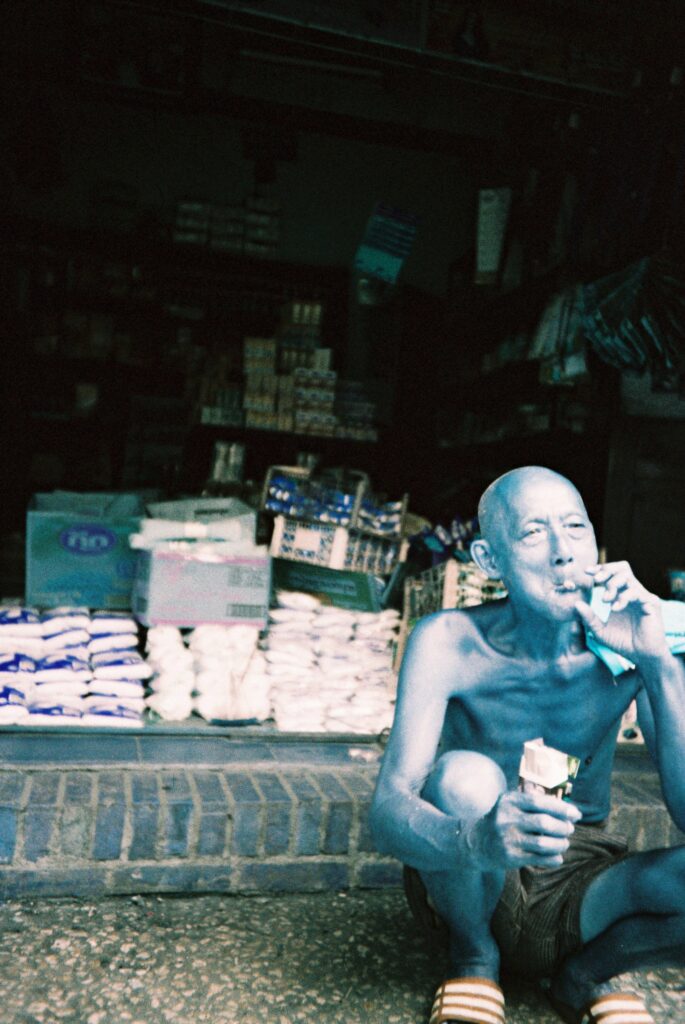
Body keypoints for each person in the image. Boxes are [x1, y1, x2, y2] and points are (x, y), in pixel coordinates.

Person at [370, 465, 685, 1024]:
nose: (564, 553)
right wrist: (475, 841)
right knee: (464, 777)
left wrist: (658, 665)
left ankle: (584, 974)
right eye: (534, 533)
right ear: (490, 560)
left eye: (576, 528)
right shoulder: (449, 643)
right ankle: (474, 959)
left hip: (582, 885)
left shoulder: (636, 644)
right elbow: (388, 811)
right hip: (472, 881)